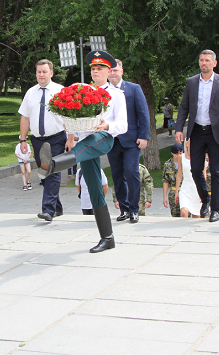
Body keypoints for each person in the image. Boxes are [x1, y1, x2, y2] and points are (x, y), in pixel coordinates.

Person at [37, 50, 127, 253]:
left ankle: (52, 165)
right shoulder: (84, 91)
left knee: (83, 147)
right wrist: (71, 126)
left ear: (108, 71)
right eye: (93, 69)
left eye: (100, 68)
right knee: (94, 189)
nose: (95, 72)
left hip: (104, 139)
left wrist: (106, 126)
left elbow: (123, 125)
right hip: (85, 142)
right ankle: (108, 237)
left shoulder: (116, 95)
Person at [175, 49, 219, 222]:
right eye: (202, 60)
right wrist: (179, 128)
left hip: (216, 133)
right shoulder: (192, 82)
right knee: (195, 169)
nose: (204, 63)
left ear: (214, 63)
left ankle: (215, 210)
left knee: (216, 171)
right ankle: (206, 198)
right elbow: (184, 107)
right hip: (197, 131)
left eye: (207, 60)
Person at [18, 59, 71, 222]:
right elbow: (25, 117)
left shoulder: (59, 91)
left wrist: (71, 138)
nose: (41, 75)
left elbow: (69, 116)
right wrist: (22, 140)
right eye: (39, 72)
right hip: (37, 140)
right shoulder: (30, 93)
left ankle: (48, 210)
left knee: (53, 171)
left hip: (56, 138)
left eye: (44, 71)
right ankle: (57, 207)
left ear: (51, 73)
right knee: (45, 173)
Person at [108, 59, 151, 223]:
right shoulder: (104, 91)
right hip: (112, 140)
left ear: (122, 71)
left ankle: (134, 209)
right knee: (117, 175)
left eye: (115, 70)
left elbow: (143, 113)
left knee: (131, 173)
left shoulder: (133, 89)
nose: (112, 73)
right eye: (110, 70)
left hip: (131, 140)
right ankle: (124, 209)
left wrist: (144, 135)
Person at [177, 140, 203, 218]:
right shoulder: (181, 157)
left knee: (196, 215)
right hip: (185, 187)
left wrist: (202, 192)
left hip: (196, 188)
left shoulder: (200, 157)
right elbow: (179, 175)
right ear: (186, 144)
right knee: (184, 211)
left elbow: (203, 176)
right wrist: (176, 191)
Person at [162, 143, 184, 217]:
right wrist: (164, 197)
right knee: (175, 215)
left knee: (185, 213)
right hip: (173, 192)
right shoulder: (168, 164)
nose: (178, 156)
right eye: (176, 154)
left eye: (180, 153)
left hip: (185, 191)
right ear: (172, 153)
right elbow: (165, 181)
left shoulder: (186, 163)